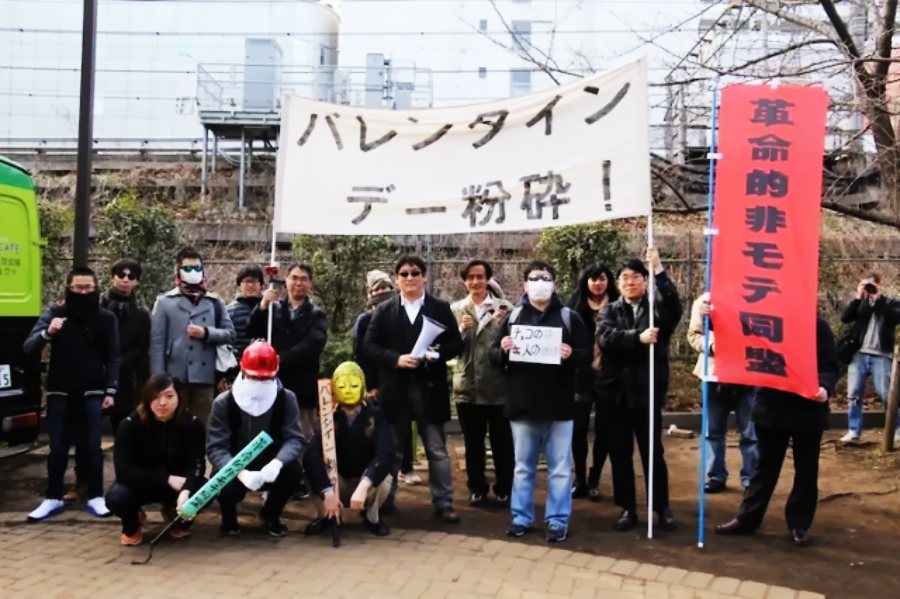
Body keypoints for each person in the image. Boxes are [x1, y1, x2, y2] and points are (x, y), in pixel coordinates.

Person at [489, 261, 591, 543]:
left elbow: (588, 356)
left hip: (559, 406)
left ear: (554, 284)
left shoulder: (570, 318)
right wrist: (502, 348)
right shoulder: (514, 317)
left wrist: (572, 353)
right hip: (523, 406)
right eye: (534, 278)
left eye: (545, 278)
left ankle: (557, 520)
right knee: (522, 467)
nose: (540, 283)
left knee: (559, 468)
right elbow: (493, 358)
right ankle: (521, 517)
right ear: (525, 286)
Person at [716, 314, 840, 547]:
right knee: (764, 467)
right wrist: (711, 315)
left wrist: (824, 386)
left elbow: (830, 366)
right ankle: (748, 518)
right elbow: (740, 339)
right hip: (772, 408)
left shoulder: (817, 324)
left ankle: (799, 524)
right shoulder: (767, 321)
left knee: (806, 470)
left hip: (808, 410)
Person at [363, 255, 464, 523]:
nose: (410, 278)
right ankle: (386, 500)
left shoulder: (440, 307)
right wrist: (395, 359)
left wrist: (438, 354)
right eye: (404, 274)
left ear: (425, 277)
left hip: (429, 389)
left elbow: (456, 344)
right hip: (395, 390)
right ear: (396, 280)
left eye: (415, 273)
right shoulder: (384, 310)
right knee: (391, 449)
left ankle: (444, 502)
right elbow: (369, 346)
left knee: (436, 449)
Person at [23, 266, 119, 521]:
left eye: (88, 287)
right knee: (58, 446)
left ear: (96, 289)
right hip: (59, 390)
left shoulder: (107, 318)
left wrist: (110, 390)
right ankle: (52, 498)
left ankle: (96, 496)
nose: (83, 291)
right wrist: (48, 332)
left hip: (93, 390)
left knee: (92, 446)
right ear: (68, 288)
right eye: (78, 287)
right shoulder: (54, 313)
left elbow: (113, 357)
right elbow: (29, 348)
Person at [598, 249, 682, 533]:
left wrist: (658, 268)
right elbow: (607, 339)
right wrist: (638, 338)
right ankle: (627, 508)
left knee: (652, 453)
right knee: (620, 455)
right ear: (618, 284)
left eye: (636, 277)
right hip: (615, 397)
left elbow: (674, 308)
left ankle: (661, 508)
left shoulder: (656, 310)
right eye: (624, 278)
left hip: (646, 394)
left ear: (645, 281)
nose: (630, 282)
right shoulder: (609, 311)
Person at [207, 340, 306, 537]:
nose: (258, 383)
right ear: (243, 371)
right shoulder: (224, 403)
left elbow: (295, 438)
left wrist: (278, 463)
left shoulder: (286, 399)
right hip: (235, 462)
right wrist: (240, 472)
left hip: (270, 460)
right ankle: (228, 517)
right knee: (223, 482)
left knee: (293, 472)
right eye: (253, 377)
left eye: (264, 379)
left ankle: (271, 513)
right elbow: (216, 448)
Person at [105, 373, 207, 545]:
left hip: (179, 486)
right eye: (156, 397)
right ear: (146, 399)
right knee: (117, 497)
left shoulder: (192, 425)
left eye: (169, 396)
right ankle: (133, 522)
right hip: (142, 484)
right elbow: (124, 472)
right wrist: (166, 479)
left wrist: (187, 490)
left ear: (179, 397)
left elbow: (197, 464)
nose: (162, 403)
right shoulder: (129, 425)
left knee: (206, 489)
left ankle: (175, 514)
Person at [303, 362, 395, 537]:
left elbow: (386, 453)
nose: (348, 390)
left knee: (385, 477)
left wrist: (364, 484)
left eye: (354, 385)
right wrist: (326, 490)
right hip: (338, 480)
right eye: (342, 386)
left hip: (365, 481)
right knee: (310, 470)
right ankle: (327, 516)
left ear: (363, 387)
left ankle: (372, 517)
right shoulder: (330, 417)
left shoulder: (375, 415)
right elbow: (312, 454)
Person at [451, 259, 515, 508]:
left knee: (502, 443)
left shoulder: (505, 309)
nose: (475, 281)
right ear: (464, 281)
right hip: (467, 387)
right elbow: (448, 347)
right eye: (470, 277)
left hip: (499, 387)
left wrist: (501, 330)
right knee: (473, 443)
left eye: (480, 276)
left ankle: (504, 489)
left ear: (488, 279)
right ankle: (476, 488)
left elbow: (516, 347)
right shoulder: (456, 309)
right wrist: (460, 331)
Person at [150, 247, 235, 426]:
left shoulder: (214, 302)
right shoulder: (164, 302)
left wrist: (206, 333)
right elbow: (157, 343)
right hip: (174, 376)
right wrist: (158, 379)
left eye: (197, 268)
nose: (193, 272)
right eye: (187, 268)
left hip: (205, 376)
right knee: (173, 424)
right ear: (179, 271)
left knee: (202, 426)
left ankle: (199, 455)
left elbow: (229, 334)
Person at [352, 271, 421, 488]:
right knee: (379, 430)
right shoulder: (364, 320)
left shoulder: (401, 314)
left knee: (404, 427)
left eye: (385, 288)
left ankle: (406, 467)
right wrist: (370, 385)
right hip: (375, 384)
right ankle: (375, 473)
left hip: (400, 379)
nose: (381, 292)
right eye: (376, 289)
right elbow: (361, 354)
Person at [248, 262, 326, 443]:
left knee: (302, 436)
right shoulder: (273, 308)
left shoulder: (316, 315)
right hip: (274, 383)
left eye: (304, 279)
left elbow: (313, 344)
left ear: (310, 284)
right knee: (272, 434)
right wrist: (263, 305)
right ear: (286, 280)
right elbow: (251, 329)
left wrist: (280, 359)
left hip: (303, 384)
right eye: (294, 278)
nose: (299, 283)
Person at [688, 293, 758, 494]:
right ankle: (715, 475)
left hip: (748, 376)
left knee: (750, 433)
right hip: (714, 377)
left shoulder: (757, 295)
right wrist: (711, 346)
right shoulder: (704, 301)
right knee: (713, 431)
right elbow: (693, 334)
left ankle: (750, 478)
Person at [567, 263, 619, 502]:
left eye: (602, 278)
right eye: (592, 279)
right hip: (580, 376)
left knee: (606, 429)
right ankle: (580, 479)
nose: (597, 283)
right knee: (578, 430)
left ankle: (595, 476)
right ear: (585, 282)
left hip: (610, 376)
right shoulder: (574, 309)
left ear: (608, 281)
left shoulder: (619, 307)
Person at [838, 274, 900, 442]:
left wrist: (877, 299)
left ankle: (896, 429)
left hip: (881, 355)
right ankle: (854, 430)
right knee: (854, 393)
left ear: (879, 285)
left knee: (886, 393)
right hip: (859, 354)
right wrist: (858, 297)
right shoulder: (860, 304)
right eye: (865, 285)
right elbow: (845, 318)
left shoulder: (890, 303)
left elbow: (896, 317)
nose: (868, 289)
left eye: (871, 285)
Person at [101, 259, 151, 435]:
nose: (125, 280)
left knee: (123, 432)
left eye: (131, 276)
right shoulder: (97, 307)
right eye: (121, 275)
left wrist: (118, 363)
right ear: (112, 277)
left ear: (136, 282)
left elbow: (142, 348)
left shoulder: (141, 315)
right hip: (94, 374)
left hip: (124, 379)